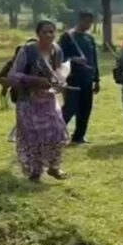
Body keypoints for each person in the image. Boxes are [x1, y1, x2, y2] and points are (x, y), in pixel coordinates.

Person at [7, 20, 70, 182]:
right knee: (32, 137)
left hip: (48, 100)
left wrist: (61, 83)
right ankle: (35, 171)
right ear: (38, 34)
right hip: (28, 100)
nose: (49, 35)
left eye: (52, 32)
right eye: (45, 32)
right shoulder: (27, 51)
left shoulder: (57, 51)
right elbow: (13, 75)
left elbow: (57, 73)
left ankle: (54, 167)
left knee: (56, 130)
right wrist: (32, 80)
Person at [59, 12, 100, 145]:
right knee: (70, 107)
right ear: (80, 20)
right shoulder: (67, 37)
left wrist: (97, 79)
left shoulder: (90, 38)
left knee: (85, 108)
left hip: (87, 78)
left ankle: (79, 136)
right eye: (86, 21)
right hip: (73, 78)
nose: (88, 25)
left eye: (90, 22)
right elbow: (59, 57)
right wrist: (73, 59)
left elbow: (94, 59)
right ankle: (54, 132)